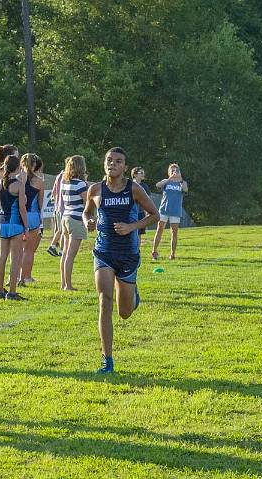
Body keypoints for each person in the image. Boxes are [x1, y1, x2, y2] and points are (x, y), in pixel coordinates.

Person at [84, 147, 159, 373]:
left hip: (127, 255)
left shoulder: (133, 189)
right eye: (109, 160)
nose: (112, 164)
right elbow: (86, 212)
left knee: (124, 313)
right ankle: (107, 360)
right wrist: (88, 221)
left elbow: (154, 215)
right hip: (103, 252)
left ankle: (133, 296)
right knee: (104, 301)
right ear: (104, 163)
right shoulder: (95, 189)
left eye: (118, 161)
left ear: (125, 167)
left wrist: (131, 227)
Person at [0, 153, 28, 300]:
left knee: (2, 256)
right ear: (18, 168)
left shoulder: (0, 183)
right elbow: (22, 207)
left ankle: (0, 290)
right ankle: (12, 292)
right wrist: (26, 226)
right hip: (15, 224)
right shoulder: (19, 185)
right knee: (15, 258)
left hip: (2, 222)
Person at [60, 155, 88, 291]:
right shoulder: (81, 184)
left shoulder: (65, 182)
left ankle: (63, 283)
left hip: (65, 217)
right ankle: (68, 285)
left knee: (65, 252)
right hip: (76, 218)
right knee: (71, 254)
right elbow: (87, 203)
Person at [151, 163, 188, 261]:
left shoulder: (182, 182)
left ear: (179, 172)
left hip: (175, 211)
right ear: (169, 172)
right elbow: (158, 185)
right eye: (172, 170)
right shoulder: (166, 181)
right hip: (164, 210)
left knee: (174, 233)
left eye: (176, 170)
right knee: (159, 230)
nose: (174, 172)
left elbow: (185, 189)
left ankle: (172, 254)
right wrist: (170, 178)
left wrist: (180, 179)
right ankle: (154, 252)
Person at [19, 153, 44, 285]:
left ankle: (16, 276)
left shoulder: (17, 179)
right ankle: (26, 277)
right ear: (34, 165)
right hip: (33, 216)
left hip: (18, 215)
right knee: (29, 250)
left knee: (17, 250)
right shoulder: (39, 181)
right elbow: (40, 204)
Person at [46, 162, 67, 257]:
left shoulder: (59, 176)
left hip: (57, 206)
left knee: (60, 229)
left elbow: (54, 192)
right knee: (63, 230)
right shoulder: (66, 176)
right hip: (64, 207)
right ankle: (59, 249)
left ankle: (54, 246)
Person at [131, 167, 152, 250]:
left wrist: (148, 212)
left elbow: (149, 200)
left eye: (143, 172)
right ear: (135, 174)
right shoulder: (129, 185)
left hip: (140, 213)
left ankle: (137, 251)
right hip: (130, 213)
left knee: (139, 234)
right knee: (130, 233)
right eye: (141, 172)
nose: (143, 174)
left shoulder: (144, 186)